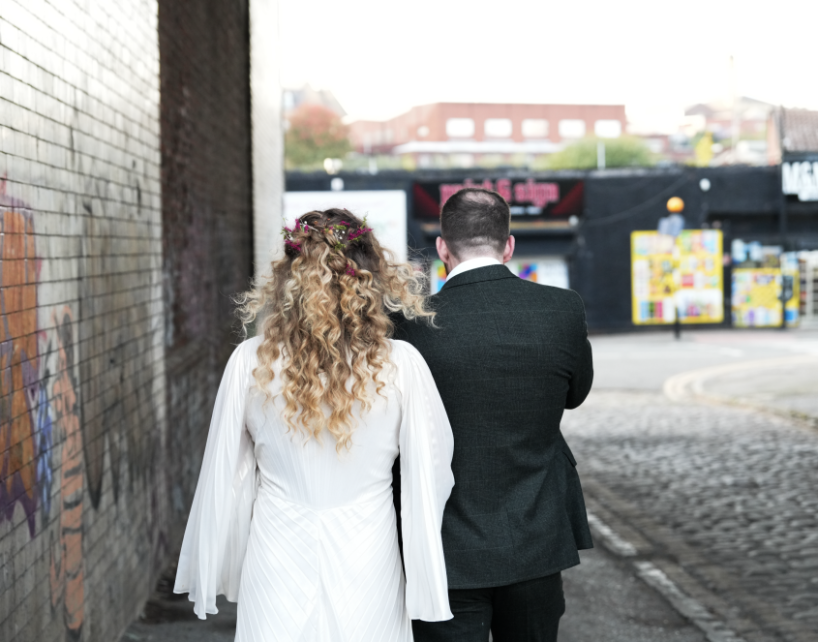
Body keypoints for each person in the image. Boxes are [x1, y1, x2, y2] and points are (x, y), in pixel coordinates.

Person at [174, 208, 456, 642]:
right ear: (370, 276)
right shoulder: (402, 365)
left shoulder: (250, 362)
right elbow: (432, 476)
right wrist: (423, 569)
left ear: (289, 278)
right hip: (369, 550)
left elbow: (224, 473)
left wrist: (221, 561)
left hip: (277, 549)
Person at [394, 188, 594, 642]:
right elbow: (575, 394)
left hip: (444, 542)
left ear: (443, 248)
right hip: (536, 534)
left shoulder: (408, 323)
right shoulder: (562, 310)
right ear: (509, 246)